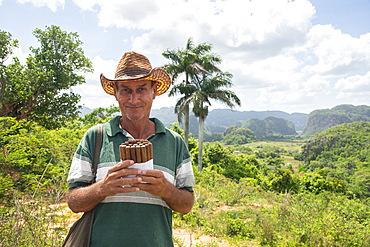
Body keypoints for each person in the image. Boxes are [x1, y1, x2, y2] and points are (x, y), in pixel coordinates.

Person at [66, 51, 195, 246]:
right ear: (116, 94)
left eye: (142, 89)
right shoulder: (95, 137)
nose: (133, 99)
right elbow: (73, 201)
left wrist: (166, 190)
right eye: (126, 90)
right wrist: (103, 188)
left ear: (154, 92)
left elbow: (187, 204)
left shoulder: (174, 142)